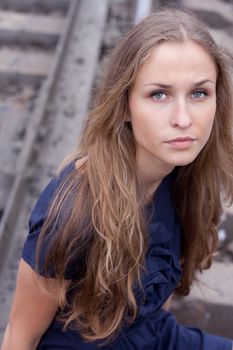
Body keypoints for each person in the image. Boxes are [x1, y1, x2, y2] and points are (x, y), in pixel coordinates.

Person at [1, 7, 233, 350]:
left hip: (153, 338)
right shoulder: (74, 214)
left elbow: (160, 301)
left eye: (199, 93)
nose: (184, 119)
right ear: (123, 105)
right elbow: (20, 337)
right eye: (159, 94)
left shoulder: (188, 175)